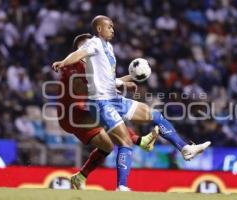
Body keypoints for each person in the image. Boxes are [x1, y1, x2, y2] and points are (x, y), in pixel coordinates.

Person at [52, 15, 211, 191]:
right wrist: (63, 62)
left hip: (109, 100)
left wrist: (131, 78)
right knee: (124, 141)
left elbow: (107, 79)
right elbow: (80, 64)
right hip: (88, 108)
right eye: (109, 26)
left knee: (154, 115)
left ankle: (185, 148)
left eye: (113, 26)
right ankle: (122, 186)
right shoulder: (87, 51)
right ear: (98, 30)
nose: (113, 29)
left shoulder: (108, 48)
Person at [56, 33, 159, 189]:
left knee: (108, 147)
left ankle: (80, 177)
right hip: (72, 114)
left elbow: (107, 83)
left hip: (82, 112)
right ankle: (140, 141)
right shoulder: (74, 65)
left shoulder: (89, 65)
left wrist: (131, 78)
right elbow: (83, 88)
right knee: (106, 116)